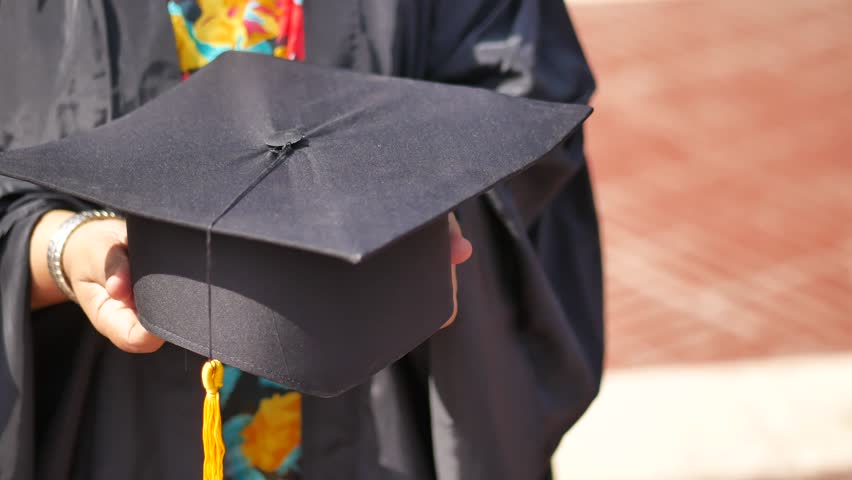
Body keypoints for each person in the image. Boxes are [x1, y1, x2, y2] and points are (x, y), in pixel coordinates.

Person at [0, 1, 603, 479]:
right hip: (111, 427)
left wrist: (422, 196)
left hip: (374, 414)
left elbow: (518, 91)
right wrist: (58, 246)